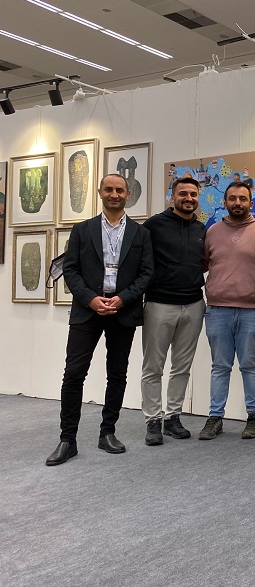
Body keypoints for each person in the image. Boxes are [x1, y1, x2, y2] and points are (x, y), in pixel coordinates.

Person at [46, 174, 154, 466]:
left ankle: (108, 433)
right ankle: (67, 440)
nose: (114, 194)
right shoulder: (82, 230)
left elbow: (146, 273)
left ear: (128, 194)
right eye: (109, 189)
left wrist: (123, 298)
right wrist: (91, 299)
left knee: (117, 374)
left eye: (119, 190)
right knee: (73, 374)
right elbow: (71, 269)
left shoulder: (141, 234)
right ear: (100, 192)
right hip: (87, 310)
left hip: (122, 311)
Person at [199, 181, 255, 440]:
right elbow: (201, 265)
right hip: (217, 310)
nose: (237, 203)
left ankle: (254, 417)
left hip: (252, 311)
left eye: (242, 198)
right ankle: (215, 418)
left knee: (250, 365)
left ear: (250, 202)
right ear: (224, 202)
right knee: (220, 366)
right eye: (232, 198)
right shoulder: (212, 232)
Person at [140, 177, 206, 445]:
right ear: (172, 197)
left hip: (194, 304)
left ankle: (173, 418)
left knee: (182, 366)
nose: (188, 198)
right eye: (183, 194)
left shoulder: (201, 229)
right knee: (153, 367)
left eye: (193, 194)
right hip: (159, 304)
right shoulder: (153, 225)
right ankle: (153, 420)